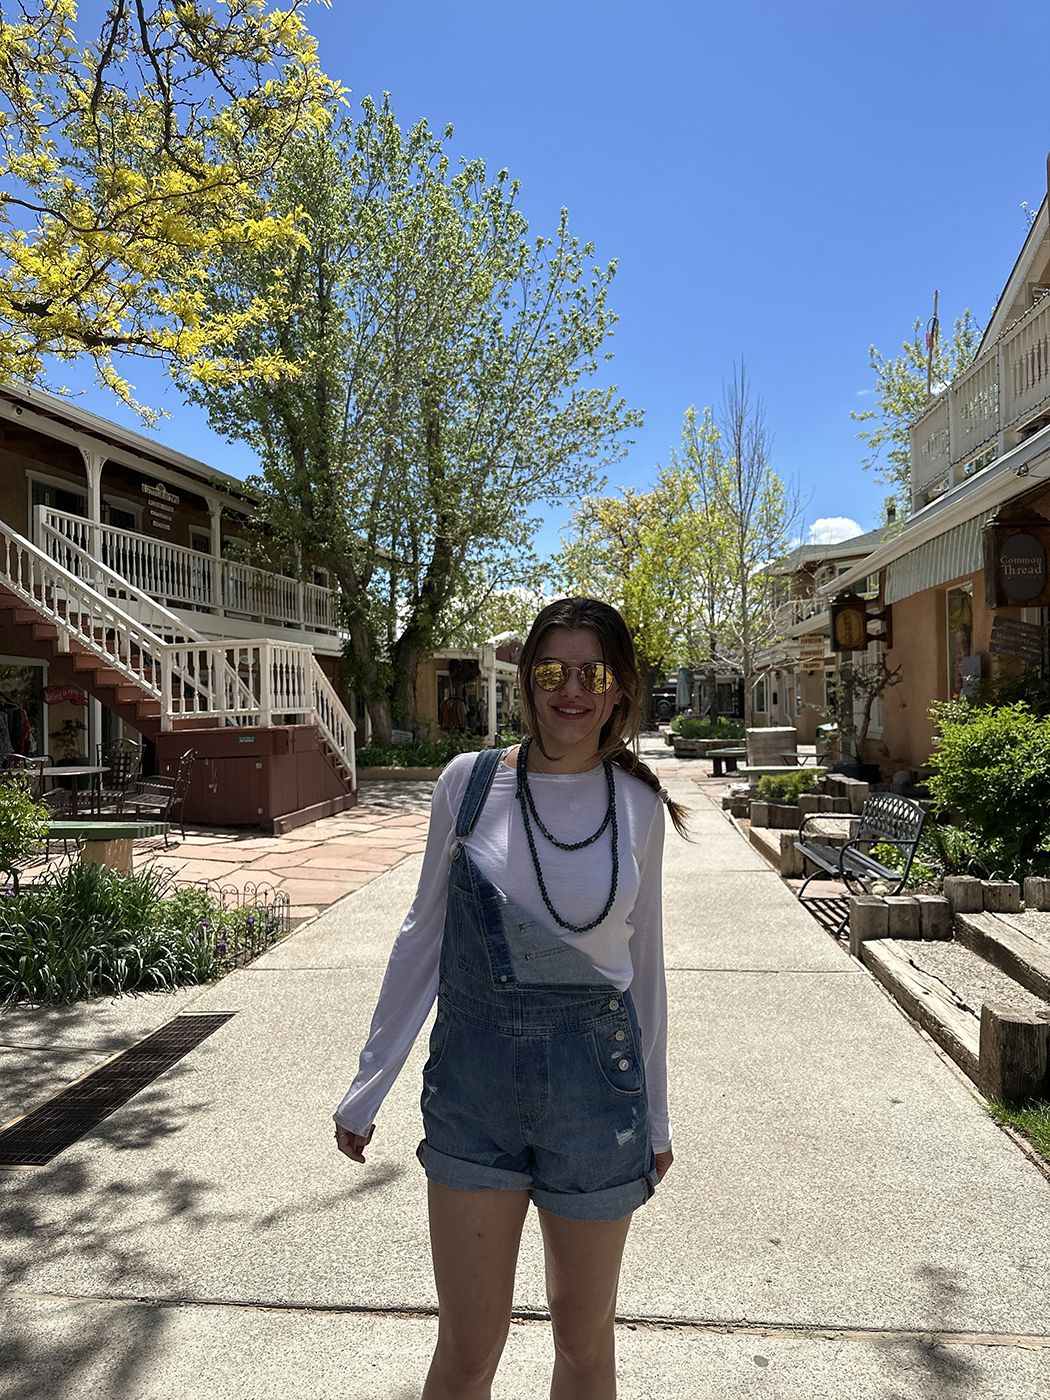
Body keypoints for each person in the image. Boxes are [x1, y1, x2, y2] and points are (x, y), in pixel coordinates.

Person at [334, 596, 689, 1399]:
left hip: (598, 1096)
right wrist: (368, 1086)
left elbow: (646, 966)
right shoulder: (468, 784)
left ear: (620, 687)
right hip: (473, 1091)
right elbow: (422, 936)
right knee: (466, 1351)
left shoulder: (637, 805)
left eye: (591, 671)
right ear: (524, 684)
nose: (572, 690)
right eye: (551, 671)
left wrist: (657, 1119)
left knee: (584, 1347)